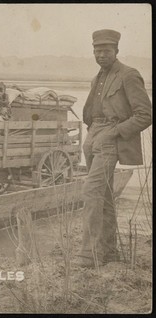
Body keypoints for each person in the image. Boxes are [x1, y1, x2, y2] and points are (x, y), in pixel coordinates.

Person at [75, 29, 152, 267]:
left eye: (106, 51)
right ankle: (107, 250)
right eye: (97, 51)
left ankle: (89, 255)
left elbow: (145, 115)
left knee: (91, 191)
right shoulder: (97, 77)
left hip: (111, 138)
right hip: (94, 137)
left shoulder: (129, 75)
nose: (101, 55)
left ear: (116, 51)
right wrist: (92, 133)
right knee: (104, 195)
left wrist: (114, 131)